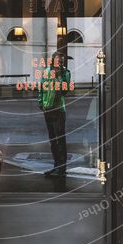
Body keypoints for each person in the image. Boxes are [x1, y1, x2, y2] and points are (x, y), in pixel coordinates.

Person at [38, 50, 72, 180]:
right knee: (53, 141)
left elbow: (64, 91)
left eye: (63, 61)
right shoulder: (46, 72)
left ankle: (62, 168)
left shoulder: (65, 73)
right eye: (59, 61)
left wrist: (59, 76)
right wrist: (40, 102)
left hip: (58, 110)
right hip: (47, 109)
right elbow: (41, 87)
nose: (61, 63)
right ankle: (56, 165)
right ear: (53, 61)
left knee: (60, 141)